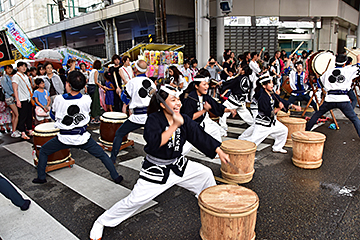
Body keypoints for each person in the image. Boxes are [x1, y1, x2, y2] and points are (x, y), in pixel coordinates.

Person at [89, 84, 231, 240]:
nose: (178, 103)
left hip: (178, 165)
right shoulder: (153, 119)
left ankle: (212, 206)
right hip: (156, 170)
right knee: (134, 201)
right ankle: (102, 221)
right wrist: (174, 126)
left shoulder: (182, 118)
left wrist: (218, 150)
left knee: (205, 174)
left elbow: (198, 134)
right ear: (163, 105)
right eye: (173, 100)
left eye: (178, 99)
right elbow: (155, 143)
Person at [32, 71, 123, 184]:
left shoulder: (59, 99)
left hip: (64, 137)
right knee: (102, 155)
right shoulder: (87, 99)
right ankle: (116, 176)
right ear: (83, 85)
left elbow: (53, 115)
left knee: (44, 150)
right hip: (82, 137)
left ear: (68, 84)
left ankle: (41, 177)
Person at [239, 75, 301, 154]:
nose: (272, 85)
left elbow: (280, 100)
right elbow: (267, 112)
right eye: (270, 83)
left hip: (272, 122)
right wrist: (279, 108)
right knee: (253, 141)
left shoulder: (271, 94)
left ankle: (277, 147)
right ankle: (240, 144)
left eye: (272, 83)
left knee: (283, 130)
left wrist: (293, 106)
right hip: (263, 124)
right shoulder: (263, 97)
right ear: (264, 86)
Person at [110, 60, 156, 163]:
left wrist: (120, 92)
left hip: (137, 116)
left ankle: (112, 159)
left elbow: (125, 99)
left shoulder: (132, 82)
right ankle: (155, 158)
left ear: (136, 69)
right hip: (150, 116)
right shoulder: (152, 83)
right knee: (151, 137)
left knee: (119, 134)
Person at [306, 54, 360, 136]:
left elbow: (319, 83)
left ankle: (306, 131)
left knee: (317, 114)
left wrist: (325, 83)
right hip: (343, 99)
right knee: (354, 119)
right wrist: (358, 59)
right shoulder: (348, 70)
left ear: (335, 63)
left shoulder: (328, 72)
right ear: (344, 63)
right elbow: (358, 67)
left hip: (330, 99)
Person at [181, 75, 236, 155]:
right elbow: (189, 117)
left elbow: (216, 106)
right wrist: (204, 110)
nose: (207, 86)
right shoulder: (190, 98)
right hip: (190, 127)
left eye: (207, 84)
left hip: (201, 124)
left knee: (215, 130)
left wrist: (230, 110)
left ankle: (217, 153)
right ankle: (170, 160)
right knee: (184, 148)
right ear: (196, 86)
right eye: (204, 84)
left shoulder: (205, 96)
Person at [219, 66, 254, 131]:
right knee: (246, 115)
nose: (239, 69)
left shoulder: (239, 78)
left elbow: (230, 83)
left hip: (234, 100)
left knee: (222, 111)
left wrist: (223, 83)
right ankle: (254, 125)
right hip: (242, 101)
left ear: (243, 71)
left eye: (241, 68)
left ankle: (223, 128)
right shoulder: (249, 79)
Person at [12, 61, 33, 140]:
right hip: (22, 99)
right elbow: (15, 89)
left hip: (28, 98)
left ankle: (30, 130)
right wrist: (17, 100)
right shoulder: (16, 76)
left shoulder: (26, 76)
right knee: (22, 116)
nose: (24, 68)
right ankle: (23, 132)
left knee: (29, 115)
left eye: (25, 66)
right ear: (17, 68)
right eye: (22, 66)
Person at [1, 65, 20, 137]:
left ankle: (14, 130)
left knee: (14, 115)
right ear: (5, 69)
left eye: (10, 68)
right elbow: (6, 88)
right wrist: (13, 94)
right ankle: (14, 130)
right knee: (16, 114)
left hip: (13, 97)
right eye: (8, 68)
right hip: (9, 97)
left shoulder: (11, 77)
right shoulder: (4, 78)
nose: (10, 70)